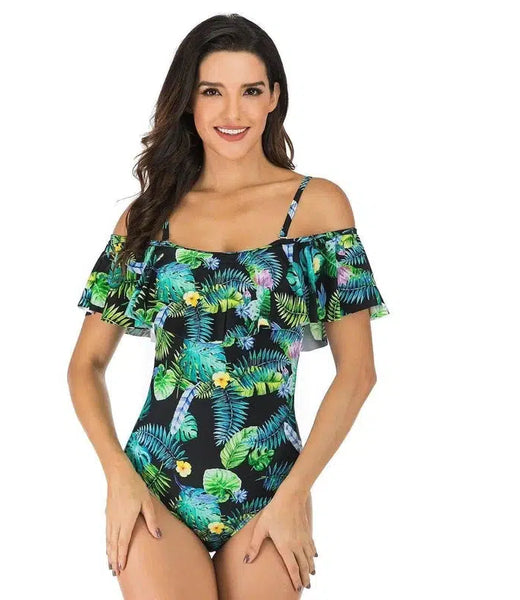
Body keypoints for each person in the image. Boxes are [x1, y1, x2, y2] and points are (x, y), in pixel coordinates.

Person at [68, 13, 389, 599]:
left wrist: (295, 495)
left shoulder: (316, 207)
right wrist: (118, 477)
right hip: (154, 484)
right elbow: (85, 365)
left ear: (274, 98)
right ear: (188, 101)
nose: (232, 112)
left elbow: (358, 372)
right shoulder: (149, 218)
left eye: (250, 91)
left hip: (271, 487)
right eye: (212, 91)